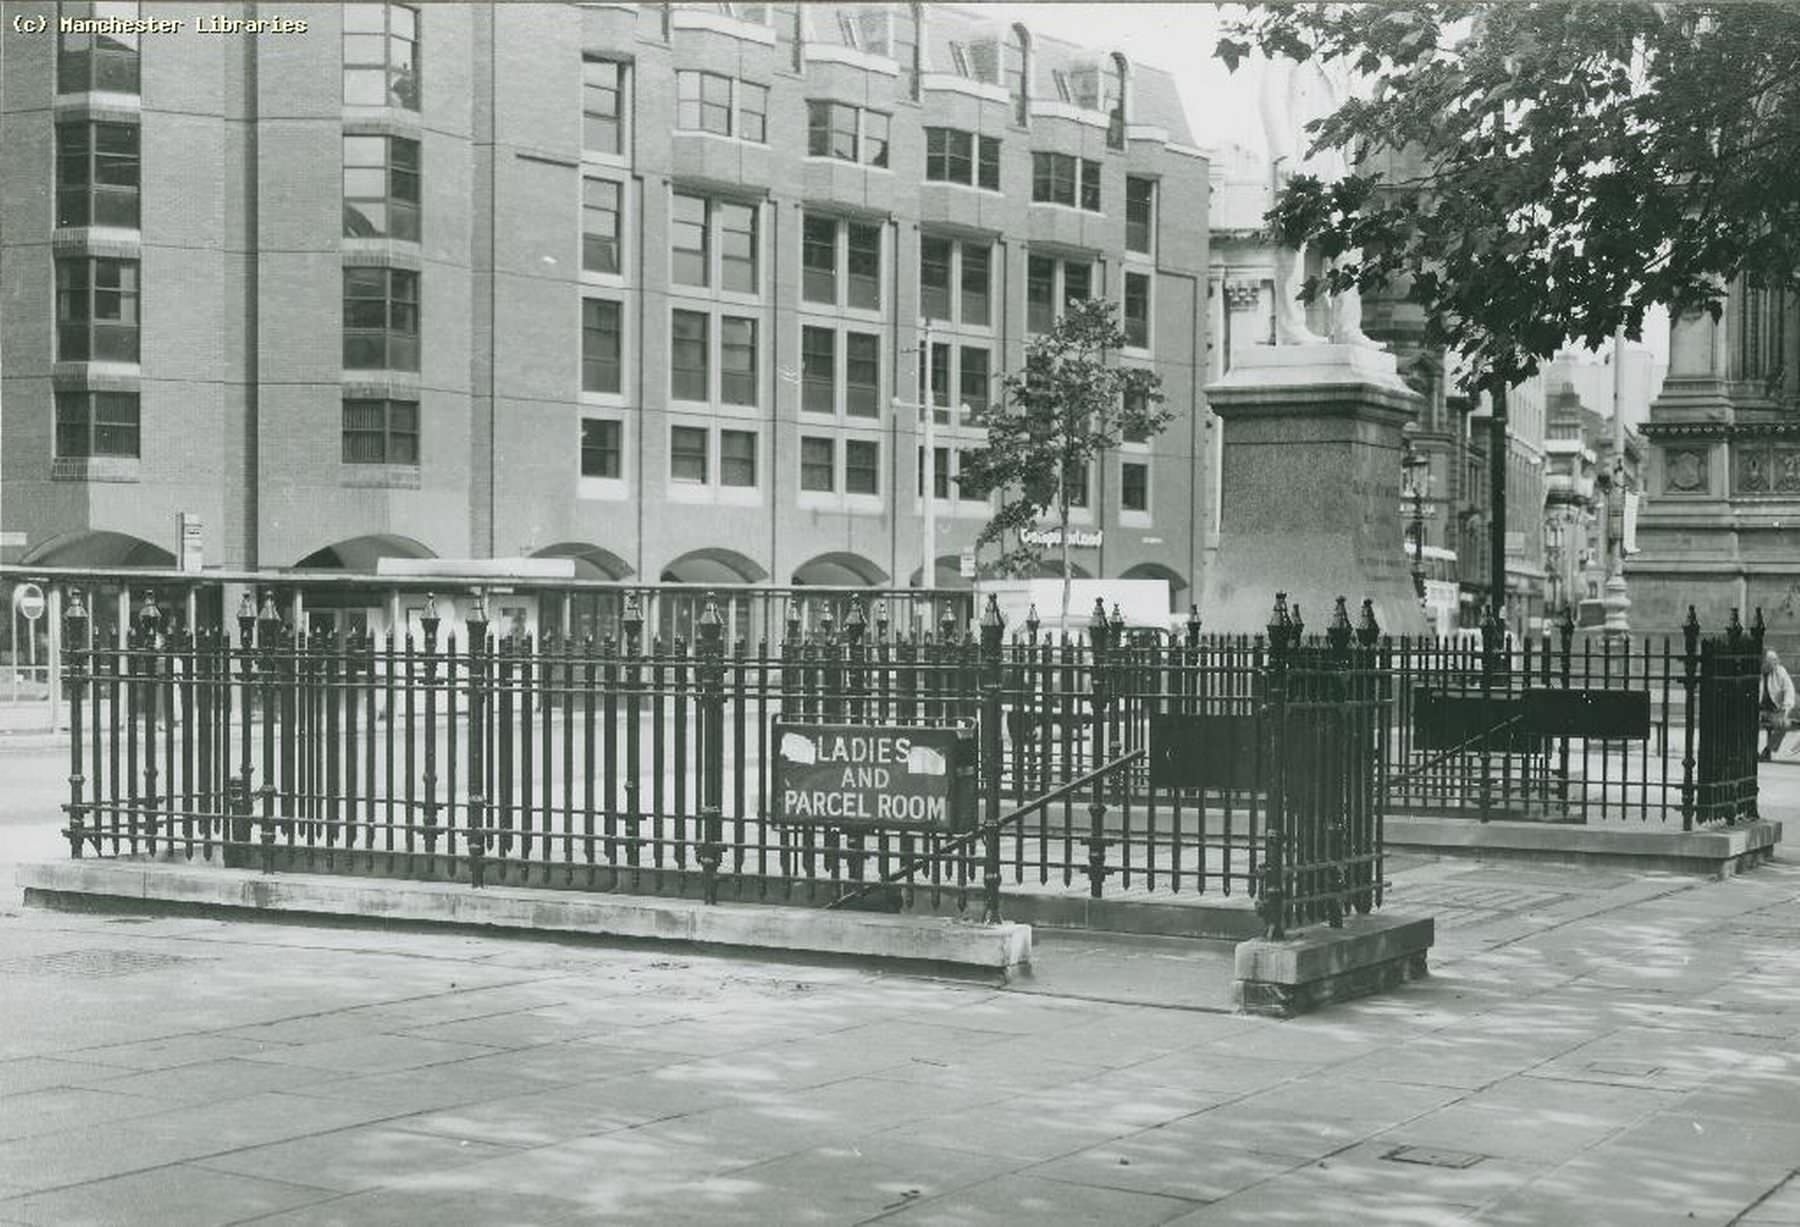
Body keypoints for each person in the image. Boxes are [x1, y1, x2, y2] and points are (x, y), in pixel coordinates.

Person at [1761, 649, 1794, 761]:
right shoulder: (1756, 672)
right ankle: (1750, 752)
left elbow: (1789, 691)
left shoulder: (1780, 671)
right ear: (1764, 662)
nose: (1776, 663)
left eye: (1776, 660)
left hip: (1773, 711)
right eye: (1773, 661)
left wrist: (1785, 708)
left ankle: (1768, 750)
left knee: (1785, 723)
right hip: (1756, 711)